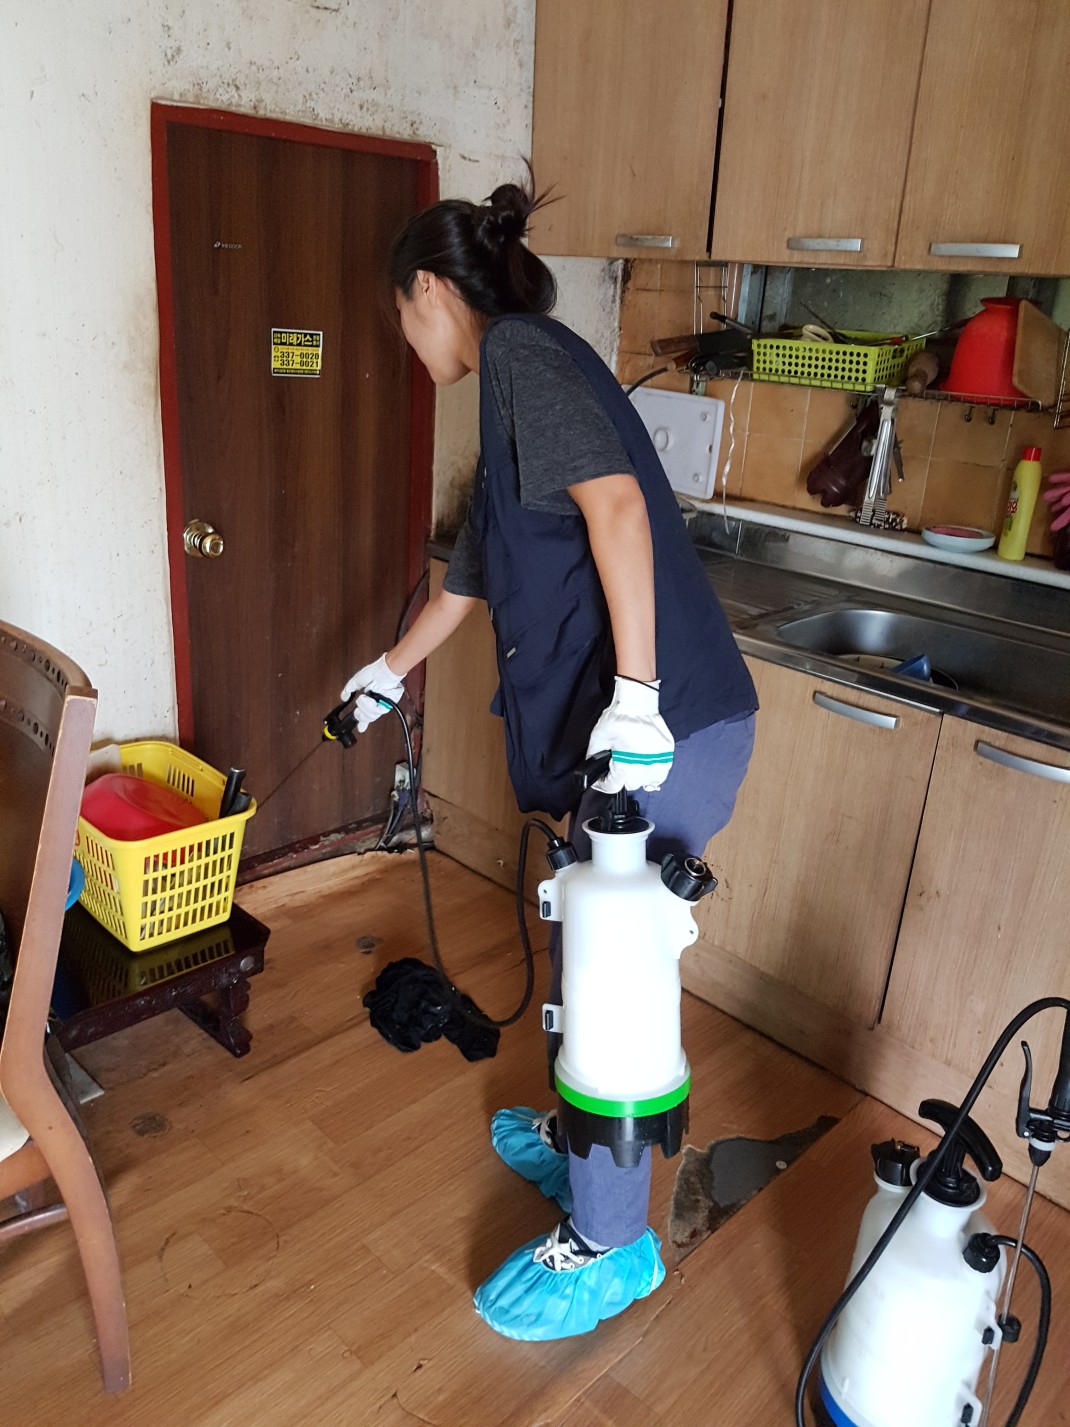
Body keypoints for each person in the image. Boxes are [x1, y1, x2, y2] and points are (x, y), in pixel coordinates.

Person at [341, 178, 758, 1341]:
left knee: (614, 973)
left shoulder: (522, 353)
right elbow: (470, 577)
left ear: (430, 290)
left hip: (668, 727)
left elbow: (616, 509)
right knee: (585, 947)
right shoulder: (512, 391)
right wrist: (384, 672)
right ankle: (585, 1147)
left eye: (399, 313)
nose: (406, 337)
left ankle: (613, 1238)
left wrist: (636, 698)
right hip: (634, 733)